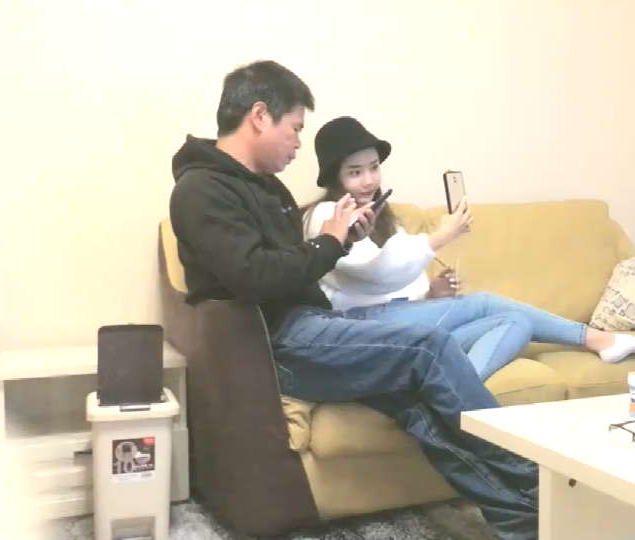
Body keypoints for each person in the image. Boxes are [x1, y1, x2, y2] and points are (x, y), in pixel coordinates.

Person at [170, 60, 537, 540]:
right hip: (276, 344)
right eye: (295, 128)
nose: (298, 144)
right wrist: (328, 241)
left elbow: (294, 265)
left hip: (307, 327)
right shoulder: (201, 190)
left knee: (414, 405)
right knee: (430, 347)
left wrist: (342, 240)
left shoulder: (267, 188)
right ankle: (539, 477)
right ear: (259, 116)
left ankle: (522, 519)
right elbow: (255, 277)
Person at [302, 116, 635, 381]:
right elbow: (375, 275)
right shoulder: (326, 216)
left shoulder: (381, 216)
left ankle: (449, 389)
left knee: (516, 322)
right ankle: (596, 339)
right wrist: (441, 236)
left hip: (401, 322)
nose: (368, 180)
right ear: (336, 178)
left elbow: (396, 282)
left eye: (374, 168)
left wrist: (430, 293)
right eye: (355, 172)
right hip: (361, 329)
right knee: (484, 303)